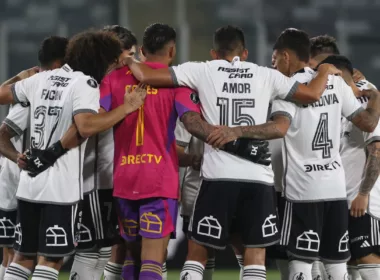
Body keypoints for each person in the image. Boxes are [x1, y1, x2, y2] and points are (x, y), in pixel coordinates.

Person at [123, 25, 343, 280]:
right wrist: (325, 69)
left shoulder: (202, 69)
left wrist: (129, 59)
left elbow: (146, 76)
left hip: (218, 176)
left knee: (197, 254)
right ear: (245, 53)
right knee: (254, 257)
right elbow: (312, 94)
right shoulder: (265, 75)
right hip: (258, 179)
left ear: (214, 53)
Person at [0, 30, 146, 280]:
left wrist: (23, 75)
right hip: (60, 187)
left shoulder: (41, 79)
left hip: (28, 184)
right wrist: (127, 107)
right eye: (112, 62)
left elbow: (3, 95)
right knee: (51, 260)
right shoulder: (84, 83)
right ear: (100, 60)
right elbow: (86, 126)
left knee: (23, 256)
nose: (114, 67)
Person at [100, 23, 221, 280]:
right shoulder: (178, 83)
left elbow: (96, 121)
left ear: (142, 49)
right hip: (159, 180)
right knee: (153, 261)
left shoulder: (113, 79)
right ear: (172, 51)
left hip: (123, 178)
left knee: (132, 258)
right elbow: (191, 122)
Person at [270, 29, 380, 280]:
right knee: (336, 262)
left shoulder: (289, 87)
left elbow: (279, 128)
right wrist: (374, 97)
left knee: (304, 259)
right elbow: (368, 123)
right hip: (335, 189)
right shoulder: (338, 85)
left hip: (308, 190)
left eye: (275, 58)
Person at [69, 25, 138, 280]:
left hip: (119, 177)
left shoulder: (124, 81)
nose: (132, 61)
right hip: (97, 181)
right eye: (128, 54)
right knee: (92, 252)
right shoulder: (94, 85)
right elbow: (88, 125)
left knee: (109, 250)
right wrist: (126, 108)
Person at [0, 36, 68, 280]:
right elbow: (2, 135)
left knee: (25, 254)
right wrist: (17, 156)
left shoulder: (34, 86)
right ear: (61, 62)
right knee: (20, 255)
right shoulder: (32, 92)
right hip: (18, 184)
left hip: (32, 182)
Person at [334, 54, 380, 280]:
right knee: (350, 259)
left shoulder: (367, 103)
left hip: (364, 202)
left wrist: (363, 194)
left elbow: (377, 150)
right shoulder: (339, 106)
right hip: (343, 198)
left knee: (366, 256)